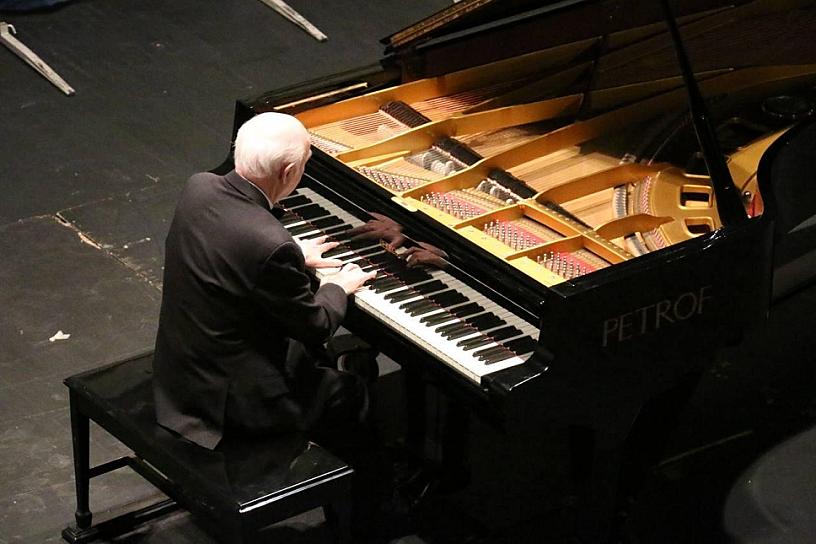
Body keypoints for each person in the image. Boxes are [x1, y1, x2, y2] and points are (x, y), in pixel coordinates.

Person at [152, 112, 396, 537]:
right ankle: (366, 521)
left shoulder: (200, 186)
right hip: (234, 405)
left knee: (326, 364)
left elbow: (231, 249)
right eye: (303, 165)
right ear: (288, 171)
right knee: (349, 393)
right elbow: (316, 325)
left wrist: (291, 256)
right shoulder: (268, 241)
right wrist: (338, 285)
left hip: (180, 372)